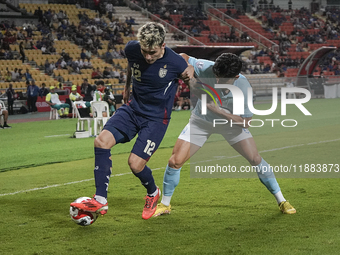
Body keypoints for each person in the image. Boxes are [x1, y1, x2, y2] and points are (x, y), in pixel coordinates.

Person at [70, 22, 194, 220]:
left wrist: (191, 72)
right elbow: (132, 63)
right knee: (101, 141)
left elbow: (189, 72)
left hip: (155, 119)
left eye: (152, 52)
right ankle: (100, 199)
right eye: (145, 51)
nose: (147, 56)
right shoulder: (132, 49)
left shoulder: (175, 63)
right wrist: (127, 86)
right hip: (133, 109)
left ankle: (153, 194)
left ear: (163, 46)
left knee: (135, 164)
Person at [153, 53, 296, 217]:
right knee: (175, 161)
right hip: (201, 121)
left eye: (223, 79)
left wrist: (219, 111)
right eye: (216, 76)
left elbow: (245, 122)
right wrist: (189, 67)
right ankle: (165, 204)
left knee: (255, 159)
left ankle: (282, 200)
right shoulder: (206, 66)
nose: (218, 82)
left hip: (230, 124)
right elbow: (182, 56)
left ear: (236, 77)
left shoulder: (244, 88)